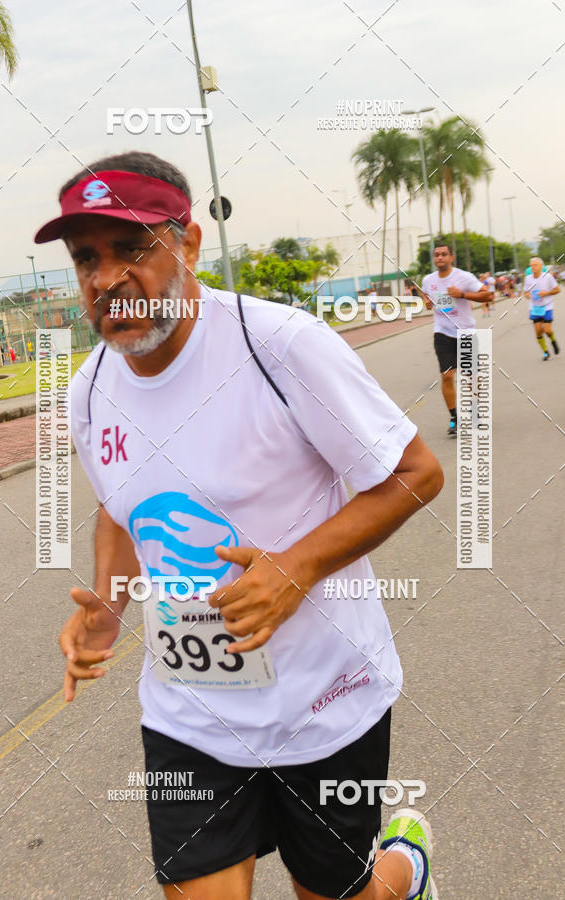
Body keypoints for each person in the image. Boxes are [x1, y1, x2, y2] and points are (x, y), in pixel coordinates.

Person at [38, 151, 443, 900]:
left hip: (325, 700)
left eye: (132, 249)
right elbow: (117, 505)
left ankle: (403, 867)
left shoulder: (279, 346)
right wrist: (108, 603)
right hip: (190, 714)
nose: (106, 279)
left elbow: (414, 473)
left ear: (187, 245)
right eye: (86, 258)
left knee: (339, 893)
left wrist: (298, 568)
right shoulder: (88, 391)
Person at [418, 243, 491, 436]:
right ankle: (454, 418)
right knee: (447, 375)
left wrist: (462, 294)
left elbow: (488, 295)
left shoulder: (464, 277)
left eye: (443, 254)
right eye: (436, 255)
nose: (440, 258)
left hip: (465, 331)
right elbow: (426, 296)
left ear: (451, 257)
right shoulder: (428, 280)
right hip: (442, 332)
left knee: (470, 376)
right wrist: (427, 302)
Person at [523, 257, 560, 360]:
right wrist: (527, 295)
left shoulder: (547, 277)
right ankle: (545, 352)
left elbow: (557, 290)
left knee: (547, 330)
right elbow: (525, 292)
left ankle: (553, 341)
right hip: (534, 308)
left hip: (547, 306)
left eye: (535, 265)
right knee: (538, 330)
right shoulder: (528, 278)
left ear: (541, 266)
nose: (532, 267)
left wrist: (546, 293)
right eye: (531, 265)